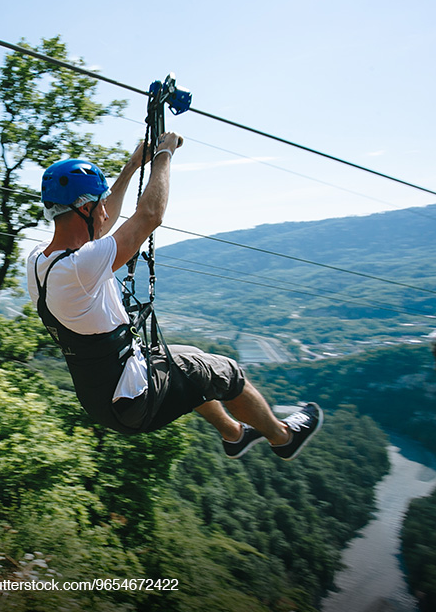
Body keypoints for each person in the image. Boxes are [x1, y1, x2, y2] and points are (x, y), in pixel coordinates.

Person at [26, 134, 323, 460]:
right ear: (85, 208)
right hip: (135, 399)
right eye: (100, 206)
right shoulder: (80, 266)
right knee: (228, 372)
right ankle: (283, 437)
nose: (106, 214)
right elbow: (150, 215)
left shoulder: (40, 261)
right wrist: (164, 154)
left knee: (191, 358)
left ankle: (234, 434)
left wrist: (132, 165)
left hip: (106, 399)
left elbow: (100, 226)